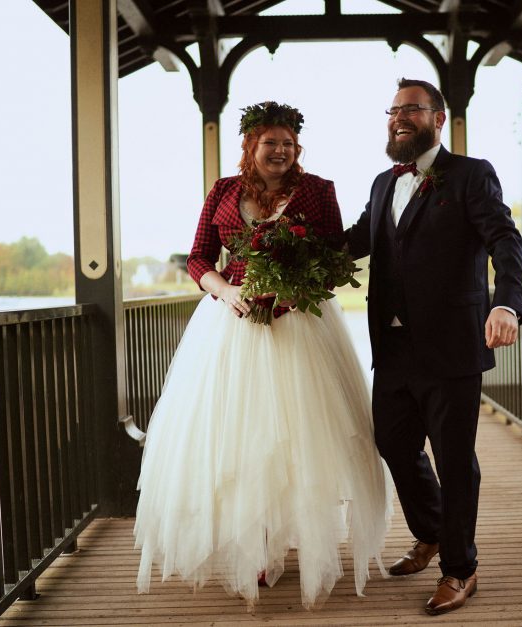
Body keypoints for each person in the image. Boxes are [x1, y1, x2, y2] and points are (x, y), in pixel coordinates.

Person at [134, 101, 391, 610]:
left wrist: (294, 295)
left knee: (300, 437)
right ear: (250, 146)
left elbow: (336, 258)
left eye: (288, 143)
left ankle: (292, 535)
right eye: (269, 142)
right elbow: (199, 257)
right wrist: (224, 293)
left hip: (300, 325)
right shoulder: (223, 193)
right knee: (239, 436)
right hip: (232, 326)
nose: (279, 150)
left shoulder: (319, 192)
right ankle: (257, 542)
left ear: (299, 149)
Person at [345, 78, 522, 616]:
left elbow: (504, 239)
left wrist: (507, 304)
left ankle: (460, 567)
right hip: (394, 346)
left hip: (452, 346)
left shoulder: (470, 175)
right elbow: (357, 241)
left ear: (438, 118)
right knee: (393, 443)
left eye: (411, 110)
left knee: (454, 460)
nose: (399, 118)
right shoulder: (383, 182)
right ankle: (429, 533)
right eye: (393, 110)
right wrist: (287, 253)